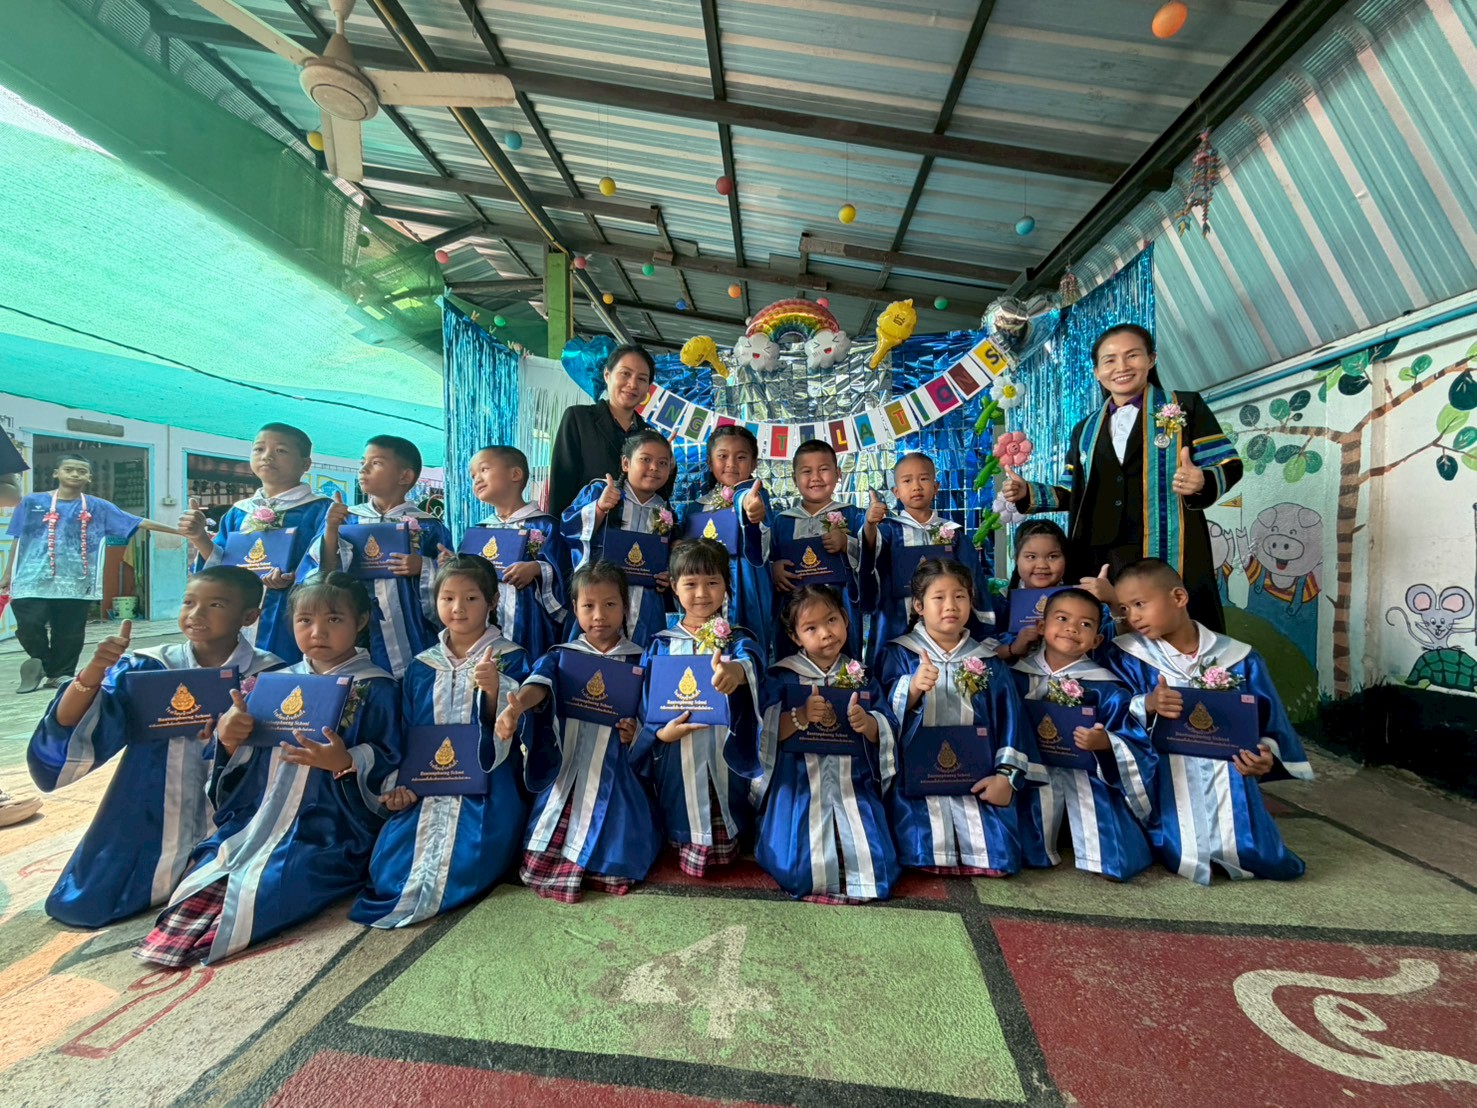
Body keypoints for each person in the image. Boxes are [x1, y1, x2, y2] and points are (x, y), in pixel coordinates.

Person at [135, 572, 400, 966]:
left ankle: (229, 925)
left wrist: (345, 762)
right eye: (305, 620)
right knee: (213, 865)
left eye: (334, 619)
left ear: (360, 621)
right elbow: (245, 763)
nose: (317, 632)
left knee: (278, 882)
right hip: (258, 814)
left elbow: (389, 755)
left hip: (330, 824)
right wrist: (230, 738)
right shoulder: (274, 683)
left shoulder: (375, 687)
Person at [27, 567, 282, 927]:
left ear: (249, 617)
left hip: (233, 807)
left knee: (257, 893)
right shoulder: (149, 665)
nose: (196, 614)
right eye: (189, 602)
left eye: (215, 605)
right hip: (149, 807)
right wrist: (95, 671)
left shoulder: (270, 672)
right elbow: (77, 727)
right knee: (90, 901)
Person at [999, 323, 1242, 631]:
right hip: (1098, 552)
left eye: (1132, 356)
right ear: (1097, 372)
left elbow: (1228, 464)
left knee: (1174, 625)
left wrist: (1202, 481)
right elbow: (1072, 491)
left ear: (1151, 359)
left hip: (1166, 543)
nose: (1122, 367)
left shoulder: (1185, 407)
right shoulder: (1085, 429)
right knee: (1101, 631)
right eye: (1110, 360)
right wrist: (1027, 492)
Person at [1108, 558, 1314, 885]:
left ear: (1179, 597)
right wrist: (1147, 703)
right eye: (1124, 609)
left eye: (1140, 604)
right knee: (1179, 851)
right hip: (1167, 774)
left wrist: (1264, 754)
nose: (1132, 617)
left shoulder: (1239, 658)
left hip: (1230, 775)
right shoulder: (1128, 657)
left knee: (1259, 854)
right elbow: (1110, 707)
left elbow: (1269, 720)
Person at [352, 556, 532, 928]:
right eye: (447, 598)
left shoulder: (510, 658)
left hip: (486, 786)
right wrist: (402, 785)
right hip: (427, 787)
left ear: (492, 601)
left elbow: (514, 730)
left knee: (470, 858)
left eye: (471, 598)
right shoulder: (421, 666)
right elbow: (408, 733)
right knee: (390, 866)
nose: (457, 608)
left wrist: (495, 691)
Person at [501, 560, 662, 902]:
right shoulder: (564, 656)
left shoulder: (641, 660)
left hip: (616, 767)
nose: (599, 616)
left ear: (625, 606)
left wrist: (635, 731)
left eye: (610, 604)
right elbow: (540, 684)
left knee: (619, 855)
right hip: (570, 761)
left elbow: (652, 713)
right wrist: (518, 706)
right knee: (539, 854)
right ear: (575, 608)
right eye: (588, 606)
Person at [876, 559, 1044, 876]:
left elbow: (1011, 722)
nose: (950, 606)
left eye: (960, 596)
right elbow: (880, 719)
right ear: (918, 606)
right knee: (916, 843)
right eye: (938, 597)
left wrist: (1005, 777)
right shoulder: (899, 654)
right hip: (916, 780)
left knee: (998, 849)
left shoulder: (988, 661)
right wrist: (911, 688)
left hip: (977, 778)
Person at [755, 585, 899, 903]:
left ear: (845, 619)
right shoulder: (782, 678)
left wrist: (869, 724)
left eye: (831, 620)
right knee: (797, 866)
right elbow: (764, 733)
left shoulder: (861, 677)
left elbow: (887, 724)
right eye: (811, 628)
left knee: (878, 864)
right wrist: (800, 716)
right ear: (794, 637)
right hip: (799, 784)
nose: (826, 633)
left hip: (853, 783)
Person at [636, 540, 763, 877]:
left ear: (727, 585)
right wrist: (661, 734)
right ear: (674, 587)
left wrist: (736, 672)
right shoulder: (661, 643)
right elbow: (647, 701)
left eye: (712, 582)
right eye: (690, 584)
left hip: (722, 741)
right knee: (684, 798)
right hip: (677, 746)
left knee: (725, 793)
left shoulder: (736, 639)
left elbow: (752, 662)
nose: (702, 593)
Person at [3, 454, 181, 694]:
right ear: (57, 473)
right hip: (31, 577)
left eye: (81, 471)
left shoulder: (98, 507)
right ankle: (42, 662)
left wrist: (182, 532)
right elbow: (17, 538)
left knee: (69, 631)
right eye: (69, 469)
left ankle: (60, 674)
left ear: (89, 477)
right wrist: (7, 573)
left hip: (77, 580)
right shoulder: (32, 502)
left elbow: (137, 521)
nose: (75, 474)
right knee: (29, 624)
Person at [1009, 588, 1154, 882]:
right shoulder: (1016, 676)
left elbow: (1130, 735)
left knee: (1112, 847)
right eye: (1062, 619)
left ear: (1097, 640)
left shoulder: (1105, 687)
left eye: (1085, 624)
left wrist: (1105, 742)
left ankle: (1099, 852)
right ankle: (1039, 847)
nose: (1072, 628)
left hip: (1087, 772)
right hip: (1034, 769)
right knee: (1023, 843)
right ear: (1042, 626)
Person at [177, 423, 333, 664]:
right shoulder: (239, 512)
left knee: (283, 670)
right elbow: (220, 566)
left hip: (288, 608)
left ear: (305, 464)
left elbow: (322, 559)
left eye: (280, 450)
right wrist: (198, 537)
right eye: (259, 449)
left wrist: (294, 578)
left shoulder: (320, 509)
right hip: (236, 609)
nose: (267, 456)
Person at [310, 435, 452, 679]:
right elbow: (323, 570)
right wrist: (331, 529)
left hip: (412, 621)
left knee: (416, 679)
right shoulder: (348, 518)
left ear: (404, 476)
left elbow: (452, 574)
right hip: (357, 618)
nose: (363, 469)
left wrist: (424, 566)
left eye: (376, 463)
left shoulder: (428, 525)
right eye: (362, 462)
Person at [861, 452, 988, 665]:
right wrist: (869, 526)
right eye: (907, 481)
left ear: (936, 487)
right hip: (896, 619)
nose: (916, 486)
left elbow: (973, 580)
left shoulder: (953, 534)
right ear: (896, 492)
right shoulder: (888, 531)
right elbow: (868, 561)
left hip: (945, 620)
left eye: (924, 479)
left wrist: (985, 631)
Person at [561, 430, 675, 648]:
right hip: (599, 594)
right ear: (625, 463)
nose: (654, 467)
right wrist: (600, 507)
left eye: (662, 463)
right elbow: (568, 529)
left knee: (641, 653)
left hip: (645, 599)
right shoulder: (601, 491)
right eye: (645, 459)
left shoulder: (665, 510)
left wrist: (667, 574)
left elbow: (666, 554)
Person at [465, 446, 566, 659]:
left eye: (484, 469)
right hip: (485, 620)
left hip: (529, 619)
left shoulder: (544, 526)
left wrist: (537, 568)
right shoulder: (480, 530)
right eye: (473, 476)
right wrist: (451, 564)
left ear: (515, 474)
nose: (476, 479)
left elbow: (565, 571)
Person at [770, 440, 864, 662]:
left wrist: (847, 543)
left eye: (823, 469)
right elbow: (768, 558)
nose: (815, 478)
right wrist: (773, 569)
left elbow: (872, 559)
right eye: (806, 471)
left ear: (838, 473)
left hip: (839, 604)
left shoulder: (852, 515)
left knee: (844, 663)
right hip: (794, 607)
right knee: (792, 663)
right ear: (794, 479)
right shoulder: (782, 522)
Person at [547, 345, 663, 518]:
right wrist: (558, 530)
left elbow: (658, 495)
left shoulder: (650, 435)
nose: (632, 384)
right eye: (625, 373)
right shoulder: (579, 418)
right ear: (607, 375)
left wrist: (668, 467)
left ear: (648, 388)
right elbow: (562, 482)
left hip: (635, 531)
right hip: (583, 529)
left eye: (641, 379)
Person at [684, 425, 773, 651]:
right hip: (706, 586)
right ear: (710, 462)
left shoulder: (756, 497)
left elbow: (763, 536)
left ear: (753, 463)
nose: (731, 463)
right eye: (722, 456)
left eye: (741, 457)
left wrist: (751, 510)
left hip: (747, 582)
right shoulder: (696, 507)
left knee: (746, 643)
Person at [990, 520, 1118, 663]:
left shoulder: (1084, 600)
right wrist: (1012, 649)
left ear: (1065, 559)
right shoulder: (999, 603)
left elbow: (1117, 647)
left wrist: (1113, 600)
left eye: (1052, 556)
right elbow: (980, 652)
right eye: (1031, 557)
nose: (1042, 565)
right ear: (1016, 559)